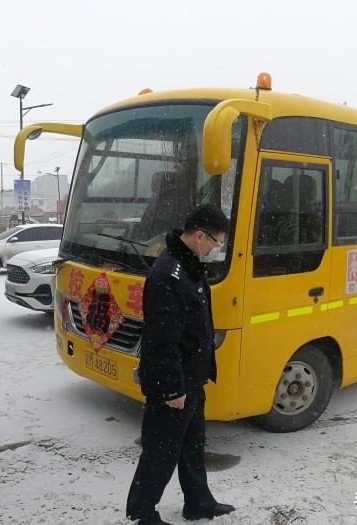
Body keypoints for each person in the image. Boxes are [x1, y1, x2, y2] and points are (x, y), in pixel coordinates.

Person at [126, 205, 235, 525]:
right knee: (161, 451)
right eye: (215, 242)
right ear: (200, 236)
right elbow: (162, 341)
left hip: (193, 378)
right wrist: (173, 389)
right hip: (172, 384)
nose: (216, 249)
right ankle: (141, 512)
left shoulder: (187, 266)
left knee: (192, 447)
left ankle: (199, 502)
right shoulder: (168, 274)